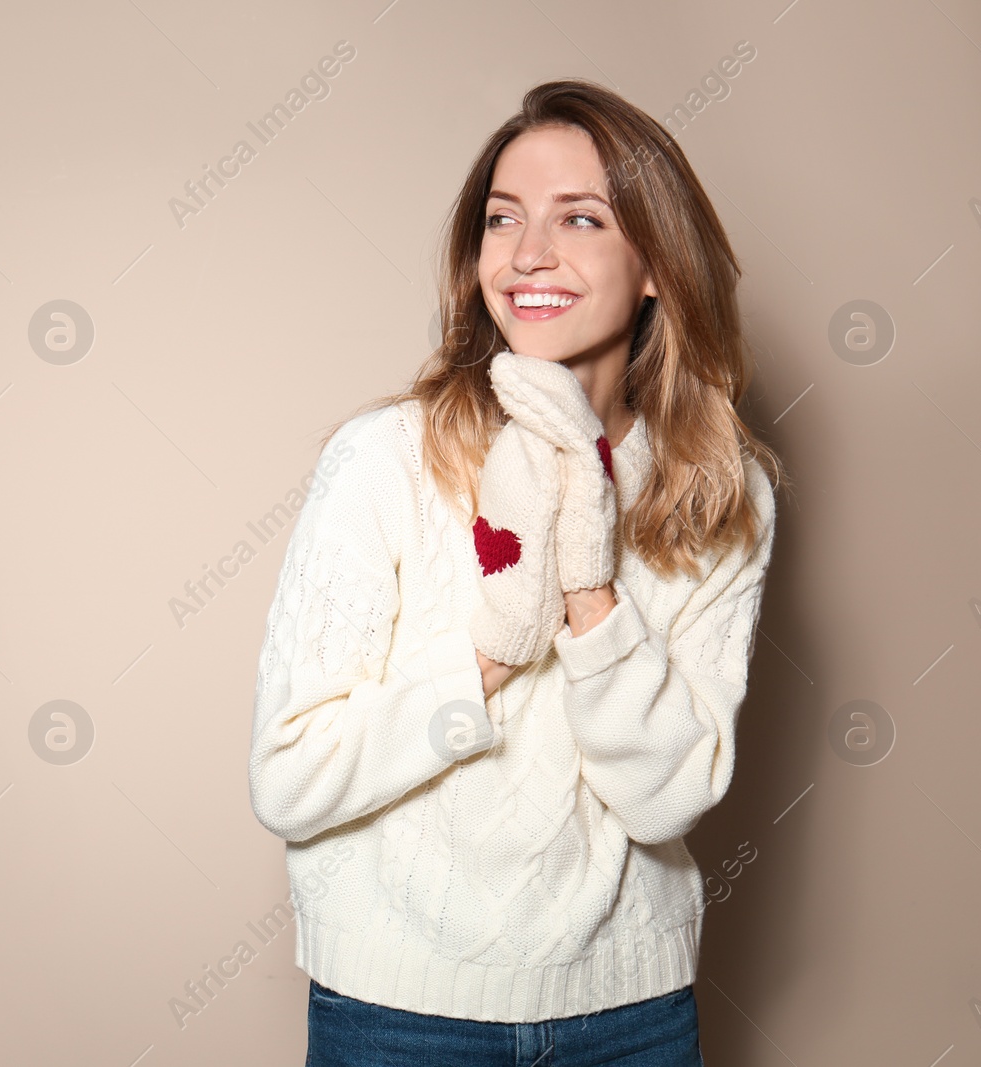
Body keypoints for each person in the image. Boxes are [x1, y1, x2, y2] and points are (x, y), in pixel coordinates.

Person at [247, 78, 788, 1065]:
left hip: (632, 1013)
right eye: (504, 219)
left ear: (659, 261)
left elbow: (665, 798)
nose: (528, 253)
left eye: (578, 218)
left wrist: (587, 572)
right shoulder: (387, 459)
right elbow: (290, 776)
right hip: (396, 1013)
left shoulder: (719, 491)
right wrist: (496, 651)